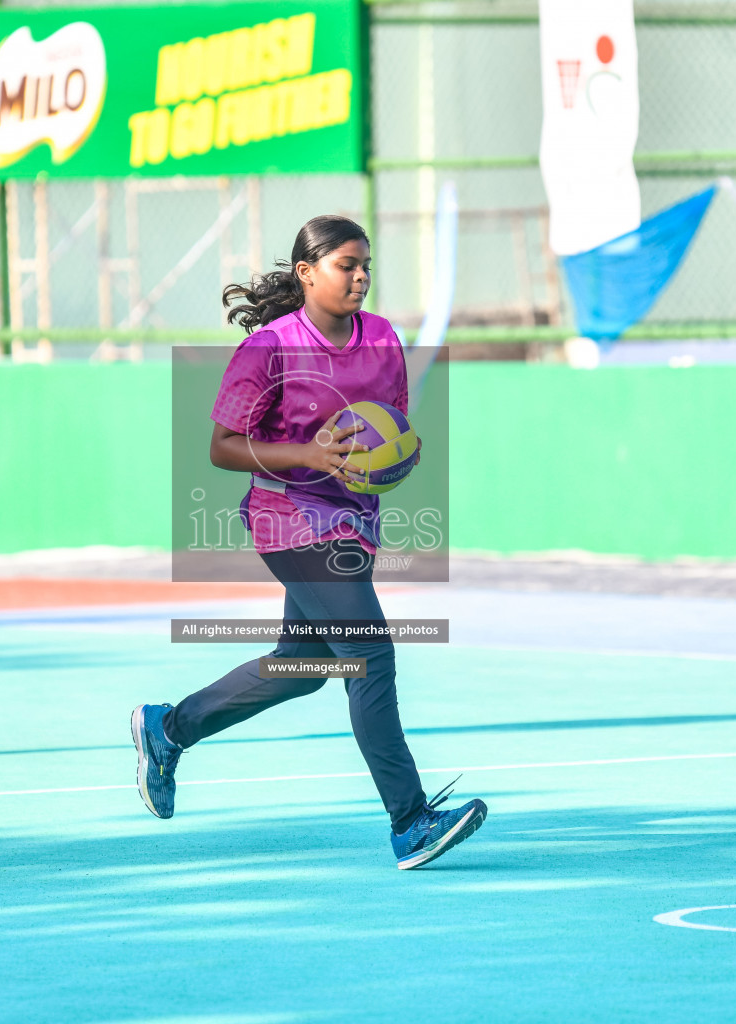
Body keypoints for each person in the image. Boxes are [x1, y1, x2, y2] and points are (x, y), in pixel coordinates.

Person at [130, 215, 487, 869]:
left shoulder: (381, 337)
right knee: (370, 656)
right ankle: (409, 822)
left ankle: (170, 727)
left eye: (366, 265)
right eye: (346, 264)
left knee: (305, 667)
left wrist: (399, 455)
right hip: (286, 517)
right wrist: (310, 455)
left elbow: (394, 427)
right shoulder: (269, 348)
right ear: (306, 272)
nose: (360, 277)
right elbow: (222, 448)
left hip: (352, 522)